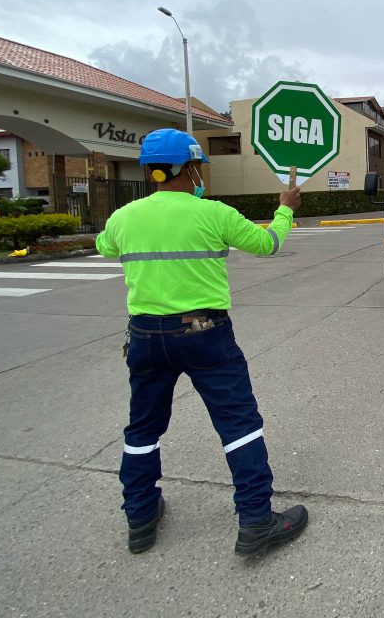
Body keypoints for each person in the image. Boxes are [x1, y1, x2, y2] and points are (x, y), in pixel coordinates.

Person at [95, 128, 308, 557]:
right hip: (205, 333)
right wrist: (284, 209)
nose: (200, 176)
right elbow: (268, 244)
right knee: (238, 424)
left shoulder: (124, 216)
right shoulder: (213, 213)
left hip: (145, 337)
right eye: (198, 167)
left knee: (143, 427)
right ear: (189, 167)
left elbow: (104, 248)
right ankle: (255, 520)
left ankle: (139, 516)